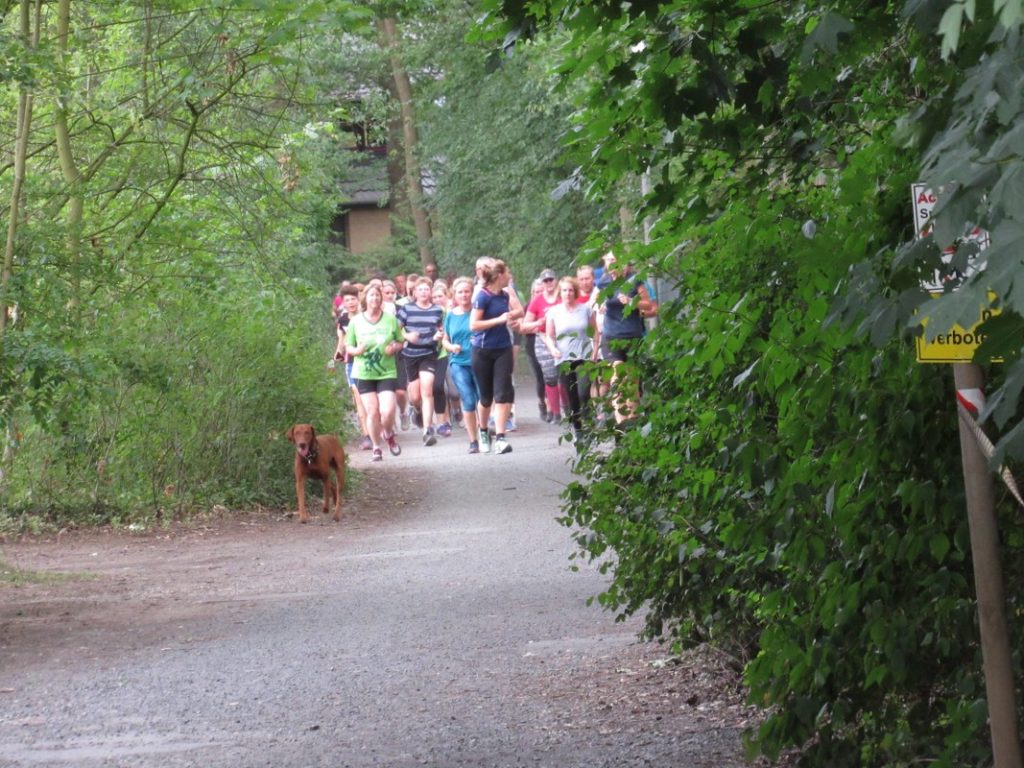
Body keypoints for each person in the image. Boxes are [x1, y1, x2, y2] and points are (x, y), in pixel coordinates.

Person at [345, 283, 404, 461]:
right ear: (366, 298)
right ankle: (376, 447)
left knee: (388, 410)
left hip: (386, 371)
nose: (375, 298)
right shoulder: (356, 321)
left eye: (378, 295)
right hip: (363, 373)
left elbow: (400, 341)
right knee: (372, 412)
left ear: (381, 298)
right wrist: (357, 351)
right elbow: (348, 346)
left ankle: (388, 433)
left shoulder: (390, 319)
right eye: (372, 295)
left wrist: (394, 347)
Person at [470, 259, 522, 454]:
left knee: (501, 395)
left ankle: (500, 438)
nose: (510, 276)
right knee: (486, 398)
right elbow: (474, 325)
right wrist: (498, 320)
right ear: (499, 275)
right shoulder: (482, 296)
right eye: (507, 273)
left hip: (503, 349)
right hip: (482, 351)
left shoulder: (505, 295)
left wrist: (511, 319)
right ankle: (483, 431)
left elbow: (518, 312)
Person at [597, 251, 656, 424]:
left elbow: (649, 305)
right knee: (617, 376)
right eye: (608, 260)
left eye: (614, 260)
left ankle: (633, 419)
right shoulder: (604, 282)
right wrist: (600, 305)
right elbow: (597, 301)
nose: (611, 263)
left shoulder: (634, 281)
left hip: (632, 336)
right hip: (611, 336)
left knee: (632, 380)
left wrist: (632, 302)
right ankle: (621, 422)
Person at [542, 277, 600, 438]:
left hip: (584, 357)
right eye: (564, 290)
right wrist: (553, 349)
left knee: (583, 392)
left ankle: (589, 420)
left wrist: (595, 351)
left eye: (570, 290)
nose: (567, 293)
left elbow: (595, 331)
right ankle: (579, 430)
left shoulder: (585, 309)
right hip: (564, 359)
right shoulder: (554, 312)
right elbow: (549, 336)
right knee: (571, 395)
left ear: (575, 292)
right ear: (560, 293)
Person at [397, 277, 446, 446]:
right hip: (410, 355)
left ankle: (427, 430)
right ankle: (417, 409)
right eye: (421, 289)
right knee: (416, 396)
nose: (424, 292)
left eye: (427, 289)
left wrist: (439, 335)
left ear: (430, 292)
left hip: (429, 354)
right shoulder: (407, 309)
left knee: (427, 390)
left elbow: (442, 329)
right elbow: (396, 329)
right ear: (415, 292)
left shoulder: (438, 310)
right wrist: (407, 336)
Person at [443, 276, 483, 453]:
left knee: (483, 399)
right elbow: (445, 340)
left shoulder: (478, 312)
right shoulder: (451, 315)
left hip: (479, 360)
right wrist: (451, 347)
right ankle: (473, 441)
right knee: (467, 398)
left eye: (467, 291)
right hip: (459, 362)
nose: (464, 295)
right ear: (455, 295)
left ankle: (484, 432)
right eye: (460, 292)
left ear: (472, 293)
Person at [333, 285, 371, 450]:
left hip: (370, 362)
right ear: (343, 302)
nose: (351, 303)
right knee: (359, 399)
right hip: (352, 363)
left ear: (358, 299)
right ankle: (367, 435)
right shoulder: (342, 321)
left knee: (371, 400)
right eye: (347, 300)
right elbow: (341, 342)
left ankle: (378, 428)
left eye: (353, 299)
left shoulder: (367, 316)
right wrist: (336, 355)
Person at [520, 268, 562, 422]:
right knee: (548, 377)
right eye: (546, 280)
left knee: (564, 377)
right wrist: (538, 323)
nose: (548, 283)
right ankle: (554, 412)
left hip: (563, 339)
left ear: (556, 281)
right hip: (543, 340)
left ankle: (568, 408)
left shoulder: (562, 296)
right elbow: (524, 326)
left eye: (551, 279)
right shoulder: (537, 301)